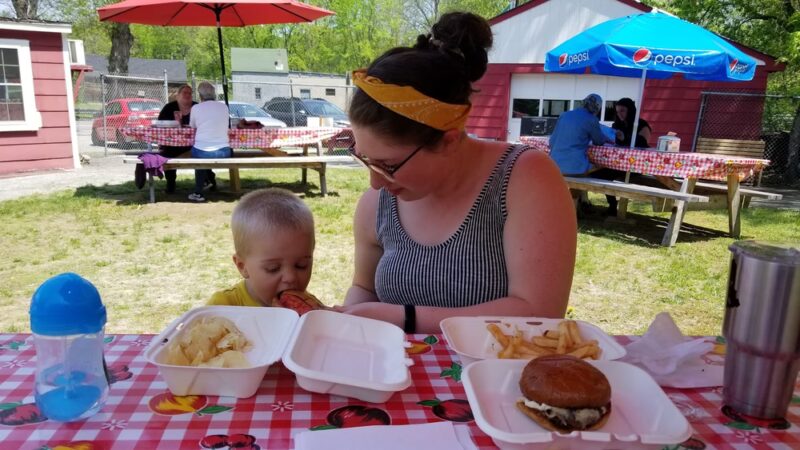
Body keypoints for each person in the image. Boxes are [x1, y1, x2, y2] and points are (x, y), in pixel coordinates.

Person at [338, 12, 577, 334]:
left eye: (388, 165)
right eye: (364, 158)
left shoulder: (525, 178)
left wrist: (405, 317)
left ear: (448, 140)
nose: (375, 182)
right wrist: (348, 318)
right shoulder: (376, 204)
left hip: (495, 376)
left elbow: (540, 313)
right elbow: (365, 290)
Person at [207, 188, 317, 307]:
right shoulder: (222, 307)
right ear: (242, 266)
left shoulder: (309, 306)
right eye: (273, 268)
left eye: (301, 265)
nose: (290, 277)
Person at [188, 81, 231, 202]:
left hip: (201, 151)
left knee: (199, 157)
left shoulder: (196, 108)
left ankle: (198, 191)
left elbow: (192, 126)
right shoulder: (224, 107)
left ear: (200, 95)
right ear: (214, 94)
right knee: (203, 158)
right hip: (223, 151)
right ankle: (208, 181)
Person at [548, 93, 608, 176]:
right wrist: (606, 137)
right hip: (575, 168)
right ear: (597, 108)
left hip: (553, 166)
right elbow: (599, 141)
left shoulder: (564, 115)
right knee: (601, 168)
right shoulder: (592, 119)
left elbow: (551, 141)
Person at [157, 85, 196, 193]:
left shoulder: (197, 107)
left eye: (190, 93)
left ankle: (209, 179)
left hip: (193, 144)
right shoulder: (169, 107)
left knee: (202, 151)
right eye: (185, 93)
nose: (188, 95)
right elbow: (160, 124)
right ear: (178, 95)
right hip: (172, 144)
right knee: (166, 154)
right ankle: (171, 184)